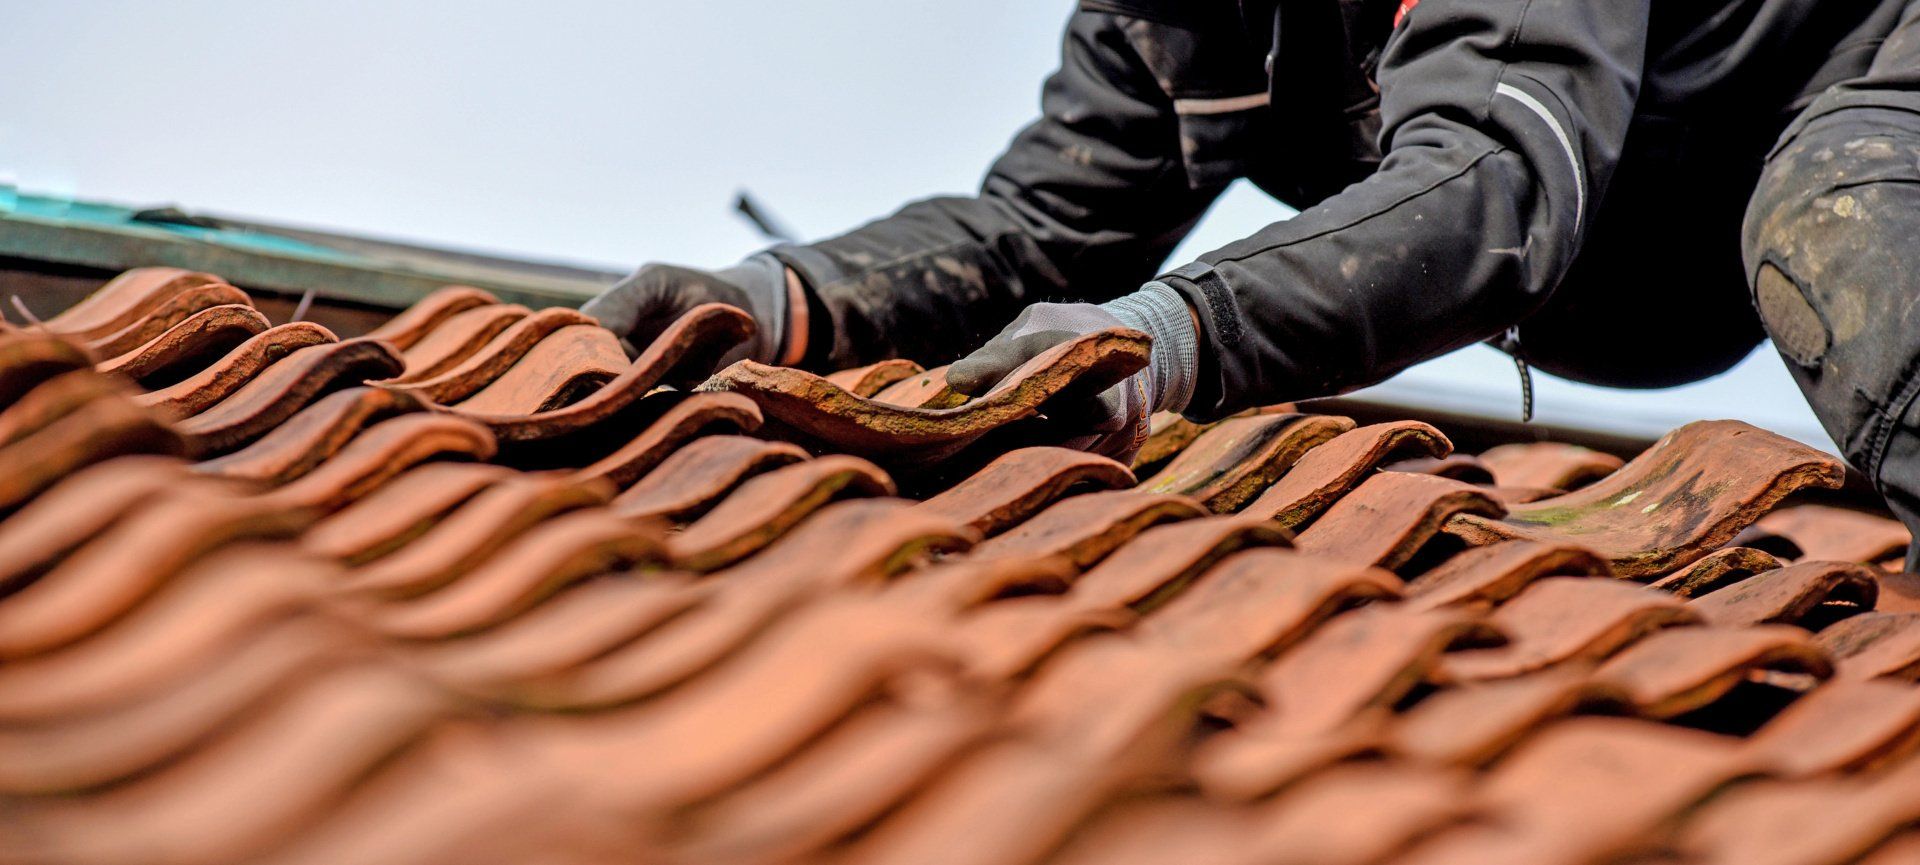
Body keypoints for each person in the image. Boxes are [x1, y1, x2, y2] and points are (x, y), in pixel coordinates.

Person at [585, 0, 1920, 558]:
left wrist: (1169, 336)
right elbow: (1042, 229)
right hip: (1677, 237)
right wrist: (760, 300)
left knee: (1839, 209)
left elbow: (1496, 183)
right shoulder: (1173, 20)